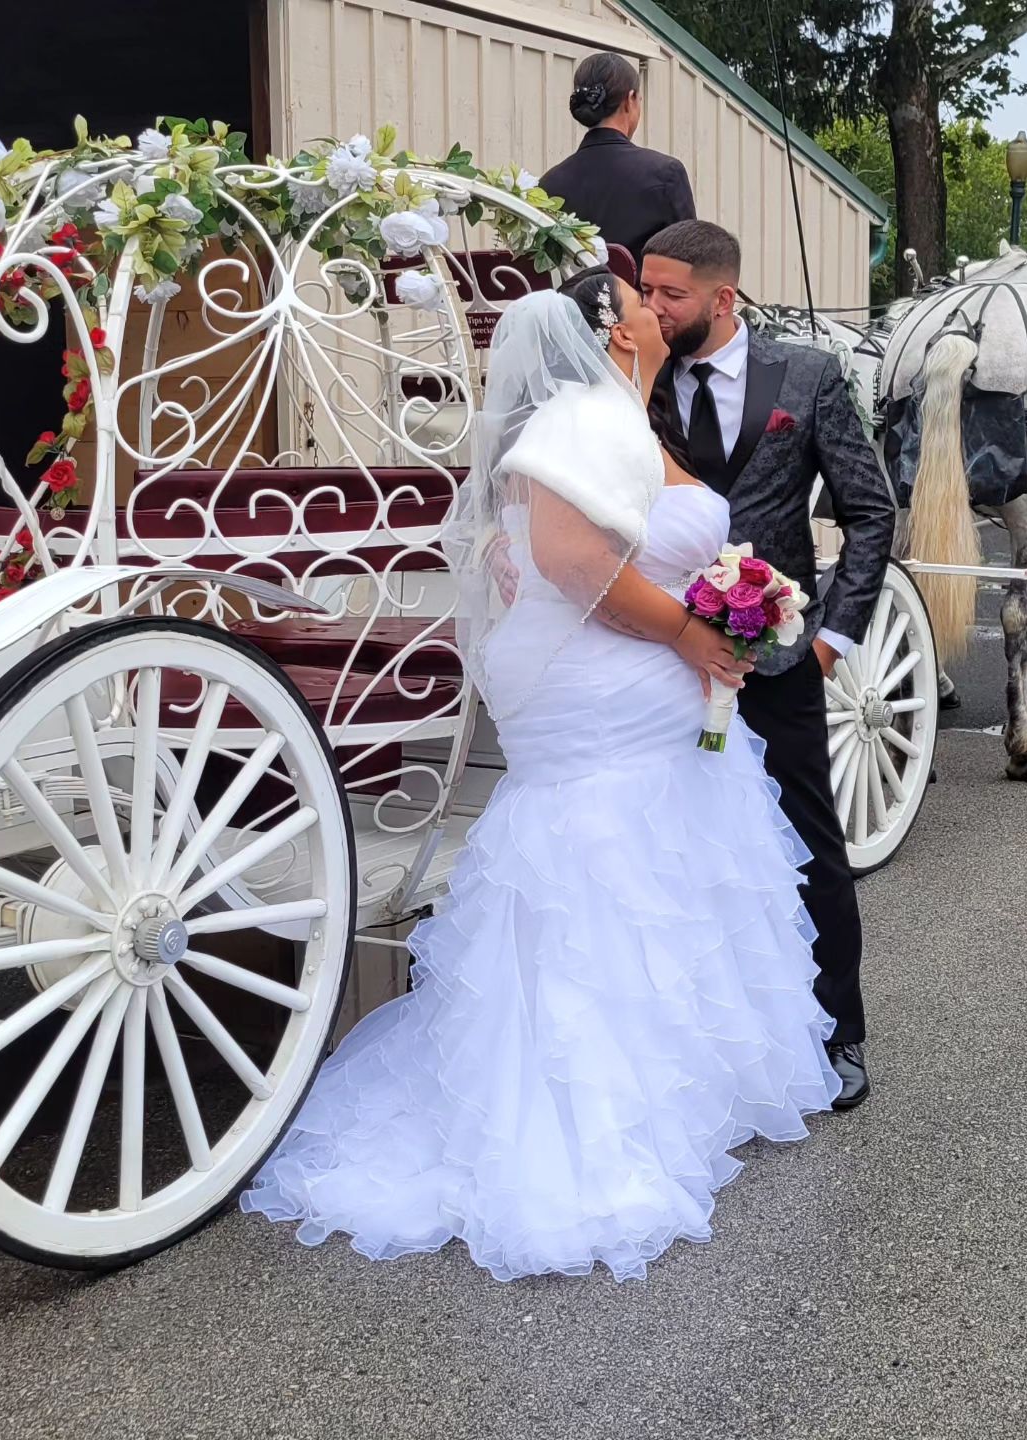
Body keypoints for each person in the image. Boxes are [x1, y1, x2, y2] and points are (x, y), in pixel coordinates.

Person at [240, 271, 841, 1282]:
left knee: (657, 879)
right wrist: (698, 634)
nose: (658, 308)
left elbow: (575, 545)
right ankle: (585, 1110)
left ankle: (673, 1087)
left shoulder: (621, 418)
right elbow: (569, 556)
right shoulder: (575, 418)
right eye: (640, 298)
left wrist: (732, 606)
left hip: (640, 686)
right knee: (606, 865)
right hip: (602, 690)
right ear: (612, 331)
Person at [641, 220, 895, 1109]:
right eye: (647, 289)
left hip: (782, 661)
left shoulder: (810, 379)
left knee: (807, 850)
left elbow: (870, 512)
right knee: (684, 853)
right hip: (665, 660)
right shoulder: (638, 380)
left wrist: (833, 639)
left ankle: (840, 1032)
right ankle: (709, 1043)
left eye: (670, 293)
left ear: (723, 297)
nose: (653, 306)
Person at [539, 52, 695, 271]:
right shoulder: (665, 174)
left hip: (569, 304)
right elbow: (689, 263)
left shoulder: (548, 185)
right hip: (639, 303)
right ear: (630, 100)